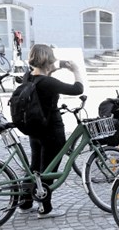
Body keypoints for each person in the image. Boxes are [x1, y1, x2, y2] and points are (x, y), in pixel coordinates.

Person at [19, 44, 84, 218]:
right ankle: (45, 208)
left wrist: (59, 66)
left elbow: (45, 76)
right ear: (49, 60)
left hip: (35, 129)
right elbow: (78, 89)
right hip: (52, 131)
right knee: (49, 170)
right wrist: (76, 70)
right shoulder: (48, 82)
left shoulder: (29, 77)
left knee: (34, 168)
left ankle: (25, 202)